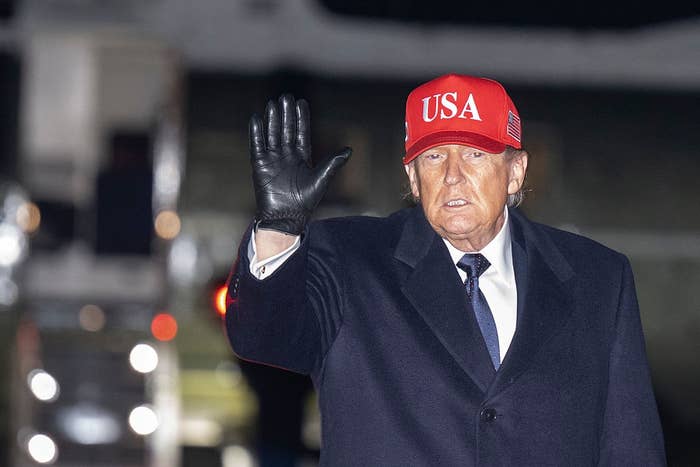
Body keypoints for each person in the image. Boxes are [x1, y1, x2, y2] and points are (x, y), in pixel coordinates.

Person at [225, 73, 666, 466]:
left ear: (515, 172)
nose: (453, 175)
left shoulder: (598, 279)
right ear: (413, 179)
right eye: (434, 157)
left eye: (474, 154)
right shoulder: (348, 258)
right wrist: (279, 228)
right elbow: (266, 338)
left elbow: (631, 445)